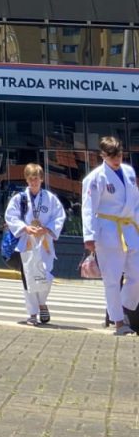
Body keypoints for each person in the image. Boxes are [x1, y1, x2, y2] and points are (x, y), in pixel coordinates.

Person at [81, 136, 139, 336]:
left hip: (130, 228)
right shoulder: (96, 178)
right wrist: (89, 236)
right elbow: (88, 209)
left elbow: (135, 202)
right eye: (112, 156)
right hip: (108, 232)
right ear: (103, 155)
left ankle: (121, 305)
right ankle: (118, 322)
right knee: (112, 279)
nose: (117, 159)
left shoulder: (129, 172)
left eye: (120, 155)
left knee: (137, 275)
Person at [5, 164, 66, 326]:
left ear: (42, 179)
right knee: (29, 277)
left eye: (36, 179)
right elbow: (10, 216)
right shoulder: (19, 198)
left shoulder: (50, 198)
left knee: (46, 275)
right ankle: (32, 312)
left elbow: (59, 216)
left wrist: (47, 228)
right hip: (26, 242)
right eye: (31, 179)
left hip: (45, 241)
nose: (34, 182)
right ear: (26, 179)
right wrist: (25, 227)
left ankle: (42, 303)